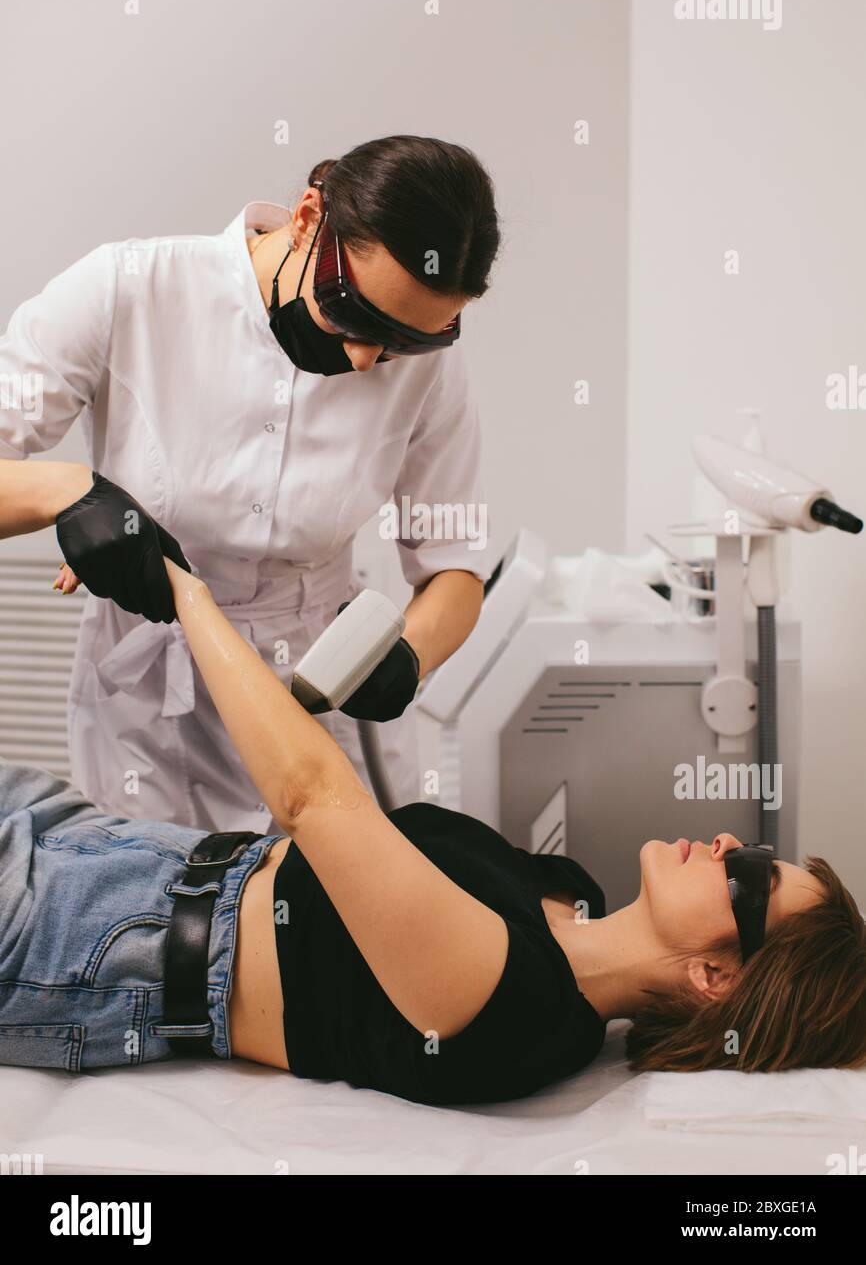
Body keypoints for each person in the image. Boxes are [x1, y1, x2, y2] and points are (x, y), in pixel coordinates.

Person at [1, 466, 863, 1105]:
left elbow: (314, 799)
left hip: (82, 937)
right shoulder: (568, 892)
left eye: (747, 875)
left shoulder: (520, 1010)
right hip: (100, 840)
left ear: (716, 976)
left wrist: (177, 586)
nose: (726, 844)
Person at [0, 136, 499, 832]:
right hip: (149, 709)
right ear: (305, 219)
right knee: (162, 920)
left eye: (407, 342)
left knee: (334, 923)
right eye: (354, 314)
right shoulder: (129, 288)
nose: (365, 360)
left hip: (318, 695)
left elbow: (454, 567)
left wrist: (411, 658)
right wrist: (68, 492)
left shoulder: (430, 370)